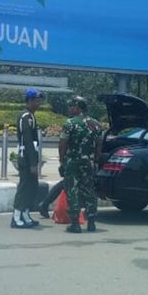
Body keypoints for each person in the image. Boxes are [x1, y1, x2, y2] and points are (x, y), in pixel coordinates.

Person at [58, 96, 102, 233]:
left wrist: (62, 160)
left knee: (73, 190)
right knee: (89, 190)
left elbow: (63, 143)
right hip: (88, 162)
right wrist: (95, 160)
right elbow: (99, 145)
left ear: (78, 107)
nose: (70, 108)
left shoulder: (70, 123)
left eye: (72, 106)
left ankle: (75, 223)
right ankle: (92, 222)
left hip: (73, 162)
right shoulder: (96, 124)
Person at [11, 88, 44, 229]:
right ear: (30, 101)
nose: (39, 103)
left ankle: (25, 214)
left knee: (32, 186)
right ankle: (16, 217)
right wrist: (32, 163)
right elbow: (28, 141)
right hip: (26, 157)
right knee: (25, 187)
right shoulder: (25, 117)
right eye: (37, 101)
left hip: (31, 156)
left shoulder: (30, 116)